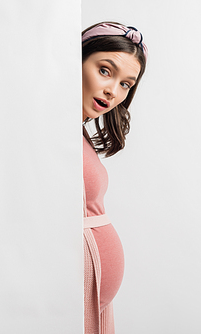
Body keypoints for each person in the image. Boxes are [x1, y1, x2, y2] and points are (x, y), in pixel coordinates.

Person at [81, 22, 147, 334]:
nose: (113, 91)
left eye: (126, 85)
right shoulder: (50, 131)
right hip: (75, 286)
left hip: (92, 290)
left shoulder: (76, 133)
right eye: (105, 71)